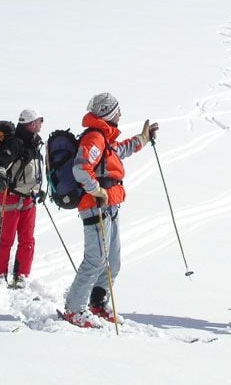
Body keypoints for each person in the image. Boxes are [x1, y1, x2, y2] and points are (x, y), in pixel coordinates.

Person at [61, 93, 158, 328]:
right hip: (95, 207)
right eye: (117, 111)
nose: (120, 114)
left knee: (112, 262)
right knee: (95, 260)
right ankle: (74, 309)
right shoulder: (94, 137)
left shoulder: (105, 136)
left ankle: (98, 303)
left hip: (110, 205)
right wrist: (98, 191)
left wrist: (142, 139)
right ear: (108, 112)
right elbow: (81, 168)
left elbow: (118, 152)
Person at [0, 109, 45, 288]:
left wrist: (39, 189)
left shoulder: (35, 143)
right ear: (31, 124)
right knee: (7, 237)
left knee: (27, 238)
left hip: (29, 197)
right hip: (11, 196)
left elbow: (35, 170)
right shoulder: (15, 143)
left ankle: (21, 275)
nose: (41, 123)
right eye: (39, 120)